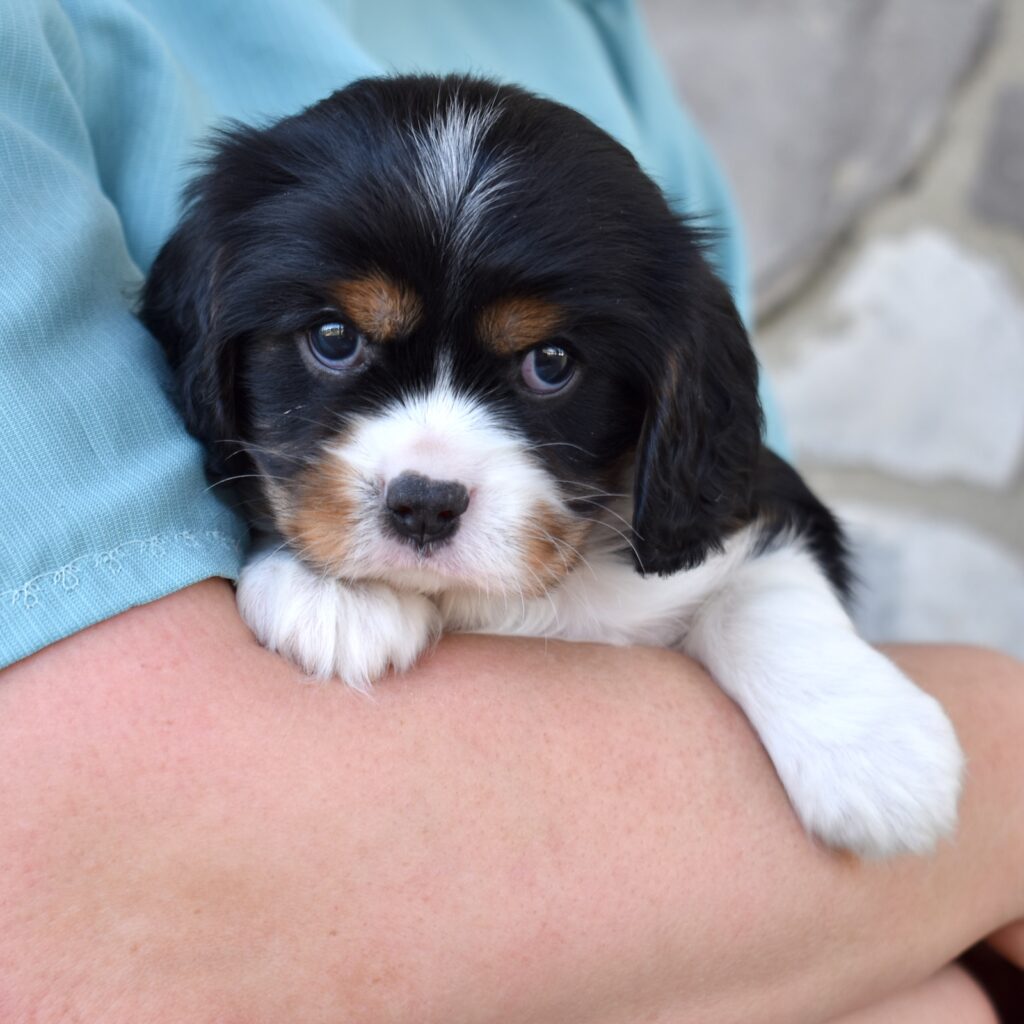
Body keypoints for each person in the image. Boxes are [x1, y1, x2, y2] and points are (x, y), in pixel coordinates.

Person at [1, 2, 1020, 1020]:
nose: (427, 474)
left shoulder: (580, 21)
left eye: (548, 364)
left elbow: (750, 548)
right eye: (334, 341)